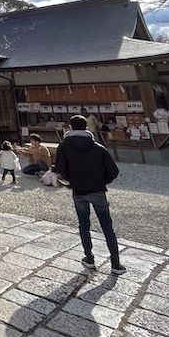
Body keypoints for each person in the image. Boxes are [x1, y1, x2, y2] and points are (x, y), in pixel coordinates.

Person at [55, 114, 126, 274]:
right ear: (86, 126)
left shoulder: (64, 146)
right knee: (107, 226)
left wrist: (72, 180)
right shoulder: (98, 147)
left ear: (71, 127)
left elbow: (61, 170)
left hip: (78, 191)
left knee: (84, 225)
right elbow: (113, 171)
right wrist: (102, 181)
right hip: (98, 190)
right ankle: (116, 263)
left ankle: (89, 258)